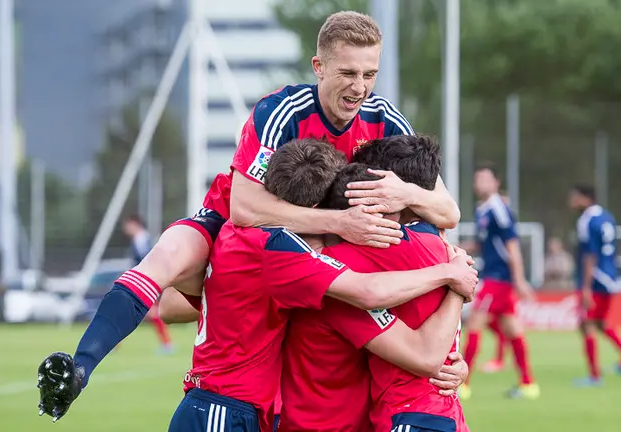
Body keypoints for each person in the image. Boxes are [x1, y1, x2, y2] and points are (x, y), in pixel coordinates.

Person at [36, 10, 461, 422]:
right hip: (241, 231)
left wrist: (405, 191)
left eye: (369, 74)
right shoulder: (283, 110)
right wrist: (340, 224)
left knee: (191, 309)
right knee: (165, 261)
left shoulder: (385, 118)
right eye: (348, 73)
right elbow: (244, 208)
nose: (360, 87)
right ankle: (79, 368)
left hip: (307, 252)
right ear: (319, 66)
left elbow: (449, 211)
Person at [167, 139, 475, 432]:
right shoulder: (330, 280)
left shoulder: (265, 252)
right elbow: (418, 349)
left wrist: (452, 357)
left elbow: (175, 306)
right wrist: (451, 278)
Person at [279, 136, 470, 432]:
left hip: (407, 415)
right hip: (443, 413)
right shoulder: (440, 246)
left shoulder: (338, 265)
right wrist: (454, 279)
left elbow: (426, 356)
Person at [458, 163, 539, 400]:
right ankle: (528, 384)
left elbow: (512, 245)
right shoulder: (482, 210)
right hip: (495, 277)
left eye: (485, 179)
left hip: (499, 278)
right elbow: (484, 244)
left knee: (474, 324)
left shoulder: (499, 209)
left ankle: (463, 384)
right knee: (513, 329)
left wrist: (520, 279)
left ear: (496, 183)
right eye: (477, 179)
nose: (480, 183)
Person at [569, 185, 621, 386]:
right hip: (609, 277)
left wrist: (586, 287)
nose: (572, 201)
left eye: (575, 197)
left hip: (596, 278)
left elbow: (590, 255)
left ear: (586, 199)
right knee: (599, 323)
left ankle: (594, 376)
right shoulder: (607, 217)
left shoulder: (587, 220)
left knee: (586, 324)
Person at [121, 214, 173, 354]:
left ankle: (167, 344)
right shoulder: (139, 239)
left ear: (134, 224)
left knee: (135, 312)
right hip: (141, 281)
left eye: (127, 225)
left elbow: (148, 259)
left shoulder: (143, 239)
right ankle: (167, 344)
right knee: (129, 311)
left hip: (145, 281)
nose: (126, 229)